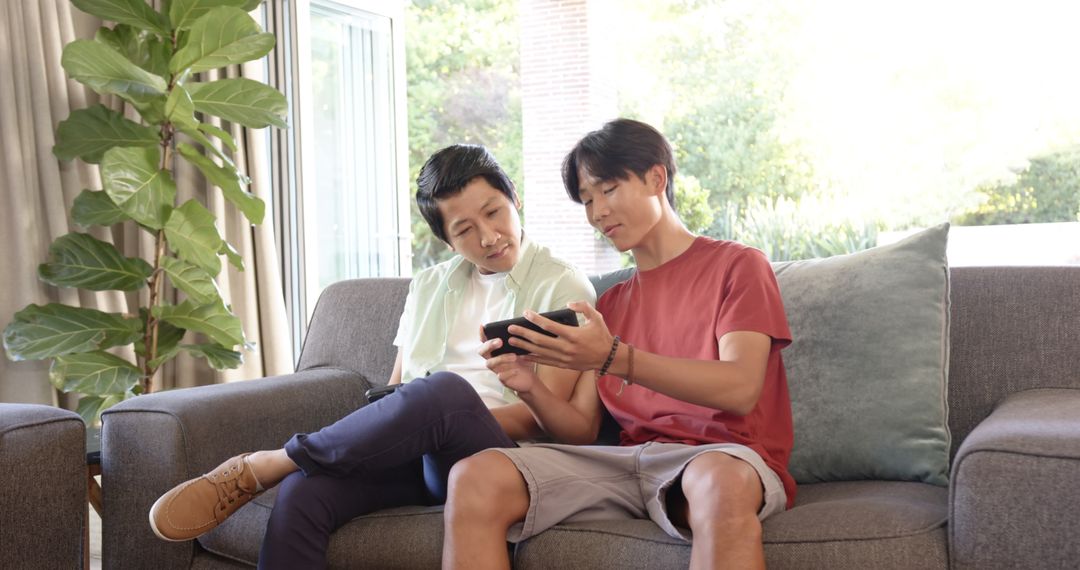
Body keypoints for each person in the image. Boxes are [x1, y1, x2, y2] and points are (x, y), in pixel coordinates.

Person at [148, 144, 597, 569]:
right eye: (464, 230)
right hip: (423, 455)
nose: (489, 236)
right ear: (446, 239)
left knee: (444, 392)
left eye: (495, 212)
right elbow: (399, 386)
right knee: (305, 491)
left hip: (497, 461)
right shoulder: (428, 287)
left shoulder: (563, 286)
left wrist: (439, 418)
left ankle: (272, 462)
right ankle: (292, 468)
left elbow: (541, 417)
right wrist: (407, 424)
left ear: (514, 198)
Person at [442, 119, 795, 570]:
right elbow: (581, 429)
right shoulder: (610, 304)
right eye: (587, 200)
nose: (597, 212)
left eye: (608, 189)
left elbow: (741, 387)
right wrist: (530, 387)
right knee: (474, 475)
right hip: (628, 463)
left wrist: (615, 357)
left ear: (656, 178)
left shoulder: (738, 266)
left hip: (721, 459)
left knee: (717, 481)